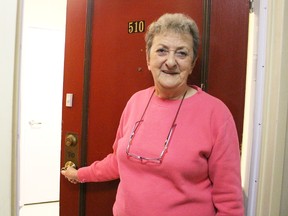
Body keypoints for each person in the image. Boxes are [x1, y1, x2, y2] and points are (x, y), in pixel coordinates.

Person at [61, 13, 244, 215]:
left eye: (182, 53)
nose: (171, 62)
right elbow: (117, 161)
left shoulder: (216, 114)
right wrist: (80, 174)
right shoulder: (136, 101)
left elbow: (230, 203)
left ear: (192, 63)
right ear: (148, 59)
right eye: (162, 51)